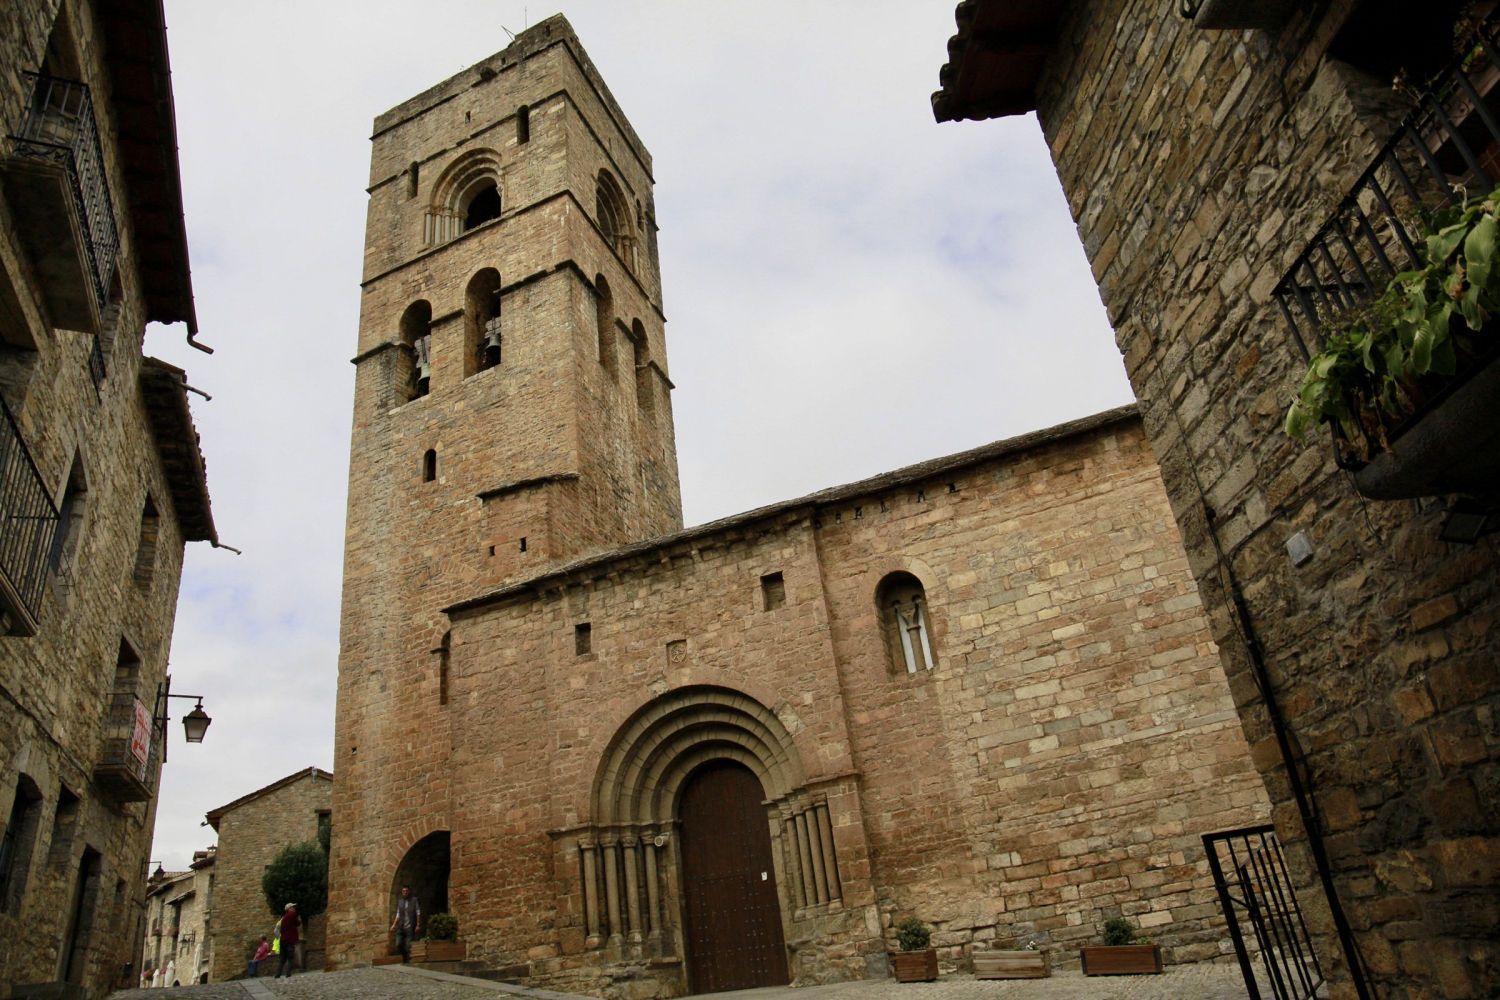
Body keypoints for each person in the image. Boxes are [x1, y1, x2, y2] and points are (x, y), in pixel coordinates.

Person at [390, 885, 421, 963]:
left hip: (410, 926)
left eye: (406, 891)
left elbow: (418, 912)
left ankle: (407, 960)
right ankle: (404, 956)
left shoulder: (414, 900)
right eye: (403, 891)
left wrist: (418, 924)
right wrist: (394, 925)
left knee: (408, 945)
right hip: (401, 926)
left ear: (409, 892)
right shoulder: (400, 901)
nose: (405, 892)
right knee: (398, 944)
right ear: (402, 892)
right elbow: (398, 914)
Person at [274, 902, 300, 977]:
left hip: (283, 940)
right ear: (289, 909)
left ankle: (277, 974)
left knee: (282, 959)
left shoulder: (283, 918)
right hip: (290, 940)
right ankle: (288, 973)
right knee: (291, 958)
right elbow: (298, 923)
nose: (294, 909)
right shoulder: (292, 915)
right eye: (292, 907)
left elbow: (277, 929)